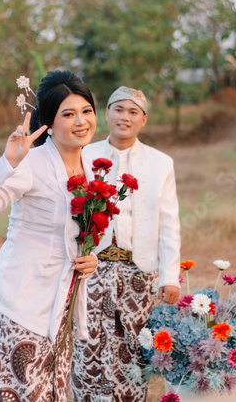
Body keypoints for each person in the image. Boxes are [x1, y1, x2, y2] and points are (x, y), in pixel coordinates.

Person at [0, 70, 98, 402]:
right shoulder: (32, 163)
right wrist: (8, 163)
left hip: (62, 304)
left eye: (86, 111)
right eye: (68, 114)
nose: (80, 121)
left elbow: (86, 229)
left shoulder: (93, 165)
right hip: (20, 302)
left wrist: (91, 257)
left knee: (54, 393)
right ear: (49, 123)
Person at [71, 86, 181, 402]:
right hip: (91, 267)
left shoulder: (161, 163)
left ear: (143, 120)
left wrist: (169, 276)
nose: (125, 117)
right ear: (106, 114)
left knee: (133, 345)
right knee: (88, 342)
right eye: (118, 109)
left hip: (139, 270)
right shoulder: (84, 155)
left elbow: (170, 222)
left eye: (133, 112)